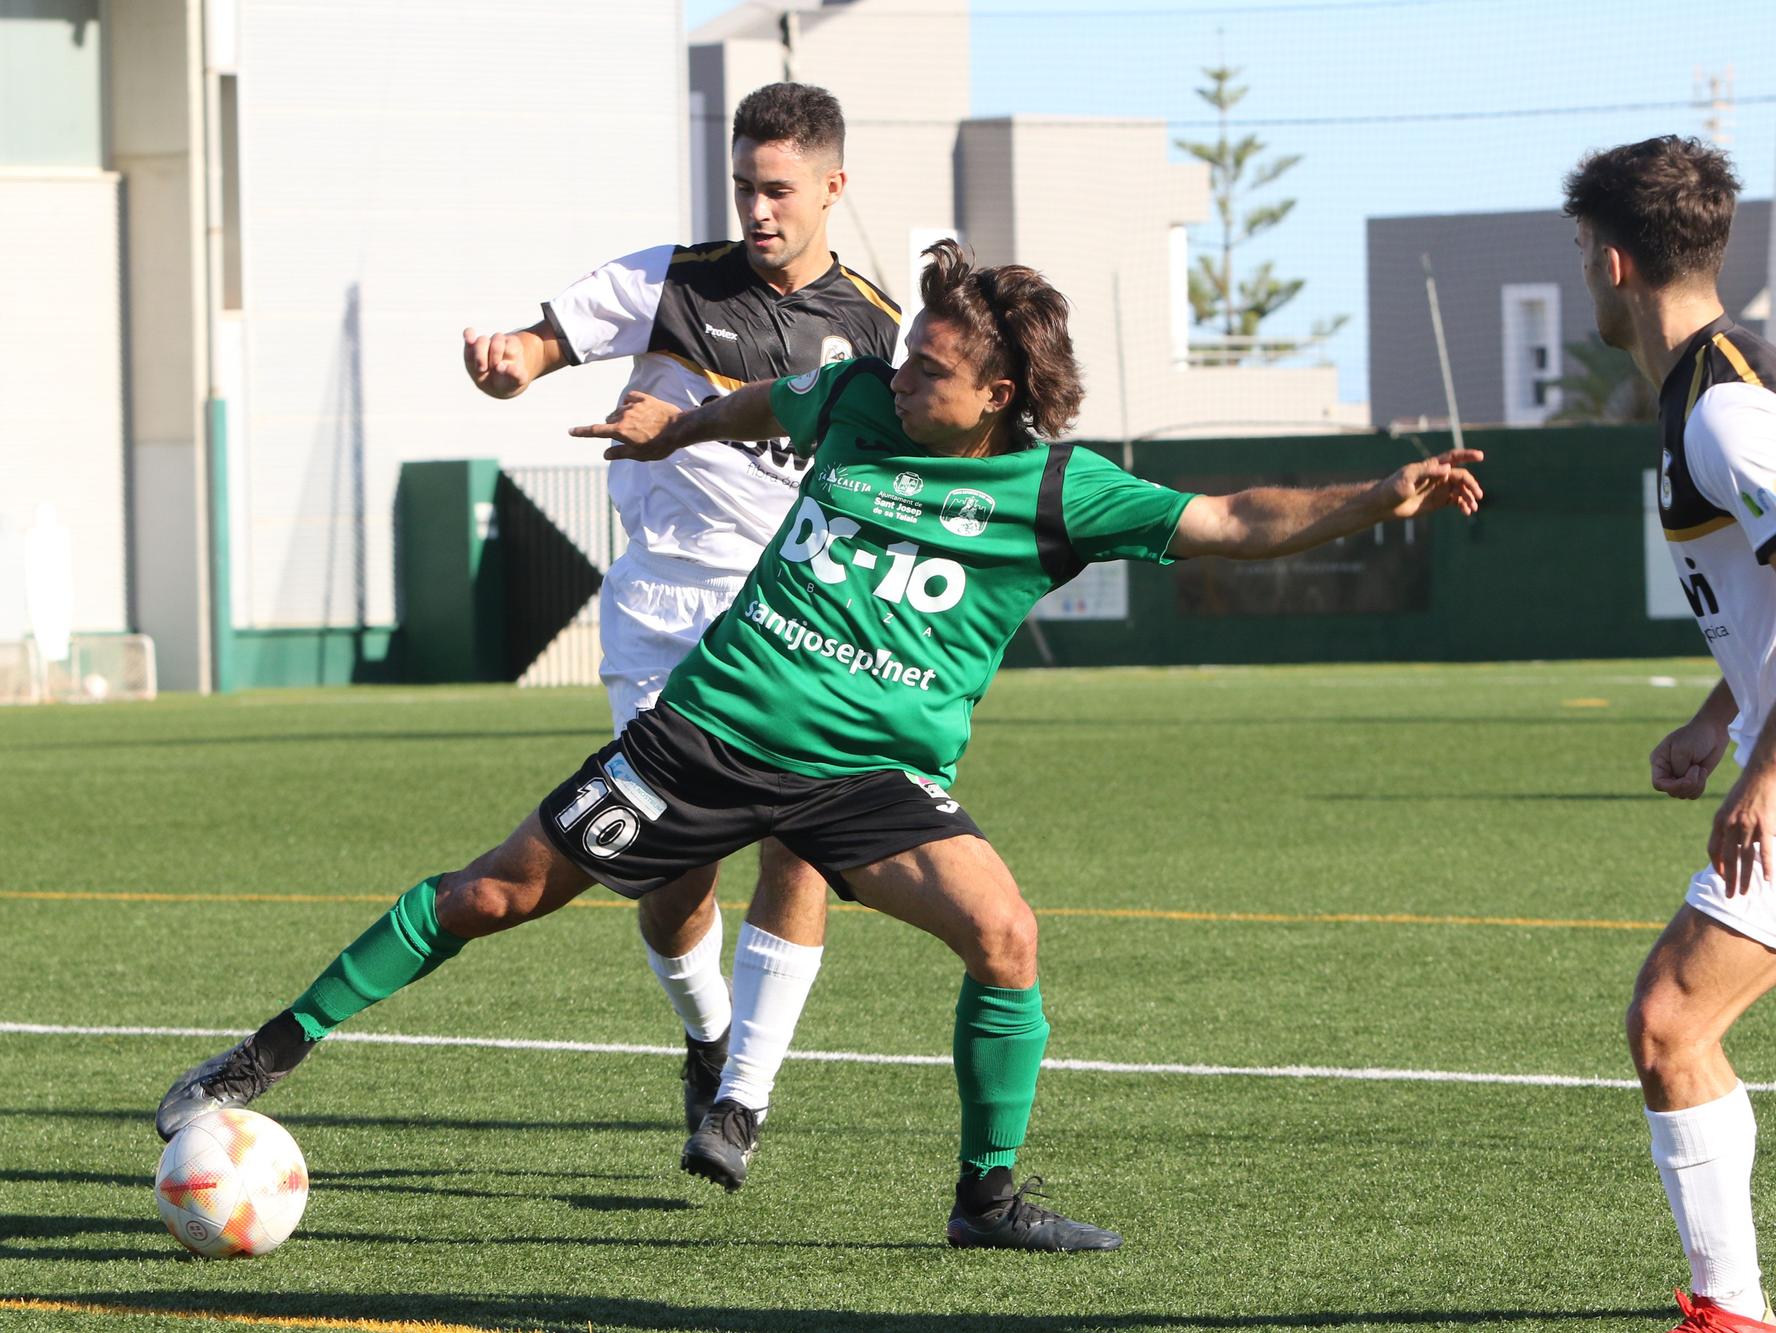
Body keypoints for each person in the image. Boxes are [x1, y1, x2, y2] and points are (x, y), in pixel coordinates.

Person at [156, 239, 1480, 1250]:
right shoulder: (855, 398)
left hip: (868, 782)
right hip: (709, 735)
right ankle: (259, 1054)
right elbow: (760, 406)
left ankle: (988, 1197)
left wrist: (1381, 494)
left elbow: (1236, 518)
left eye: (934, 369)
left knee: (1005, 932)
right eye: (904, 357)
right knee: (496, 891)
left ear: (1003, 394)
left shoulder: (1063, 491)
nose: (901, 372)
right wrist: (674, 425)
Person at [459, 82, 901, 1133]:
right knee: (672, 872)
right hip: (664, 607)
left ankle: (742, 1098)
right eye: (744, 187)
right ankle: (706, 1032)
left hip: (800, 615)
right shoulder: (669, 280)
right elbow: (539, 342)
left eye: (779, 191)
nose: (757, 211)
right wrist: (505, 366)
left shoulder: (879, 330)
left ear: (832, 188)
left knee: (799, 842)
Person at [1569, 135, 1776, 1333]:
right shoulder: (1708, 385)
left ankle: (1730, 1311)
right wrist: (1718, 714)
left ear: (1608, 262)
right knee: (1677, 1021)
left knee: (1669, 1019)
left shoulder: (1722, 411)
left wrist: (1762, 774)